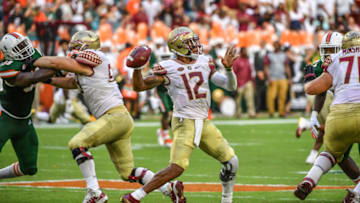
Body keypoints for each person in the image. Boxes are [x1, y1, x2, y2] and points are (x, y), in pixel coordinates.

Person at [31, 30, 182, 203]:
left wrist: (32, 62)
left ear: (87, 47)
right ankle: (169, 189)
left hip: (114, 117)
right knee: (128, 173)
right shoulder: (85, 68)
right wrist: (42, 78)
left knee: (77, 143)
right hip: (119, 119)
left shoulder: (96, 57)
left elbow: (56, 62)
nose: (72, 49)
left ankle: (95, 192)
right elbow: (70, 82)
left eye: (76, 46)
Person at [122, 27, 239, 203]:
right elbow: (140, 86)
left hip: (203, 122)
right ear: (179, 47)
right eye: (190, 43)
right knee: (177, 168)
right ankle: (135, 197)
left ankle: (227, 200)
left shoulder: (204, 61)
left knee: (232, 162)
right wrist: (137, 69)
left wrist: (229, 70)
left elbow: (230, 86)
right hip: (184, 121)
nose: (196, 46)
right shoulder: (168, 67)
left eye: (194, 41)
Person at [294, 31, 360, 202]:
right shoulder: (336, 58)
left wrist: (309, 81)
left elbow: (312, 89)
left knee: (331, 152)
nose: (329, 54)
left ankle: (309, 179)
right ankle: (356, 195)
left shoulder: (336, 60)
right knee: (341, 155)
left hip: (338, 114)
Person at [0, 32, 55, 180]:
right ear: (8, 52)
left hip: (24, 120)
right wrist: (57, 68)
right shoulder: (7, 67)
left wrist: (56, 66)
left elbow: (48, 68)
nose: (24, 49)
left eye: (24, 44)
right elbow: (32, 77)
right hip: (5, 118)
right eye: (19, 47)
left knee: (29, 168)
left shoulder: (33, 54)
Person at [265, 41, 292, 117]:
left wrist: (289, 78)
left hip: (282, 77)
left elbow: (287, 67)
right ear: (273, 46)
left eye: (278, 45)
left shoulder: (284, 55)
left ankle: (281, 112)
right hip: (272, 78)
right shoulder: (269, 55)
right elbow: (266, 67)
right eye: (275, 45)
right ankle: (271, 112)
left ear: (280, 46)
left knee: (282, 96)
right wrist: (268, 77)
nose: (276, 46)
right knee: (271, 96)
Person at [233, 47, 255, 118]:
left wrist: (252, 82)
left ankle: (251, 113)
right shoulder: (237, 61)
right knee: (238, 100)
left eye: (246, 51)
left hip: (248, 82)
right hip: (239, 83)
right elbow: (234, 73)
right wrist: (235, 84)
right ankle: (238, 113)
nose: (246, 52)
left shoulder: (248, 60)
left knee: (250, 98)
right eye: (244, 51)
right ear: (241, 52)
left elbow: (250, 72)